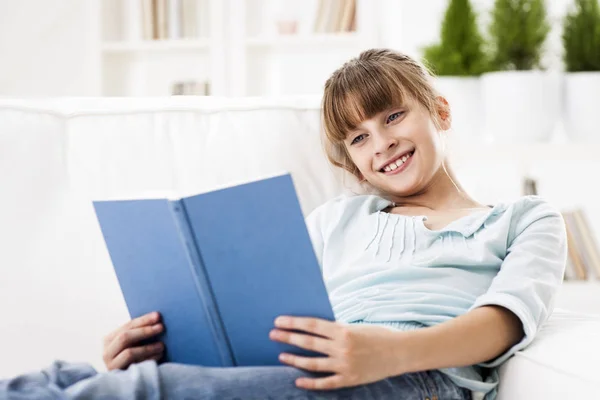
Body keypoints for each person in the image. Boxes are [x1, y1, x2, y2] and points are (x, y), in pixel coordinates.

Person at [0, 49, 567, 400]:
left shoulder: (522, 219)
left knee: (150, 395)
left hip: (419, 383)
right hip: (313, 371)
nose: (383, 142)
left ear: (439, 111)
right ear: (350, 160)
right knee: (64, 379)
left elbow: (504, 323)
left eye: (393, 115)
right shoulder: (336, 220)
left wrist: (391, 352)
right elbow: (266, 332)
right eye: (359, 137)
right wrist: (163, 347)